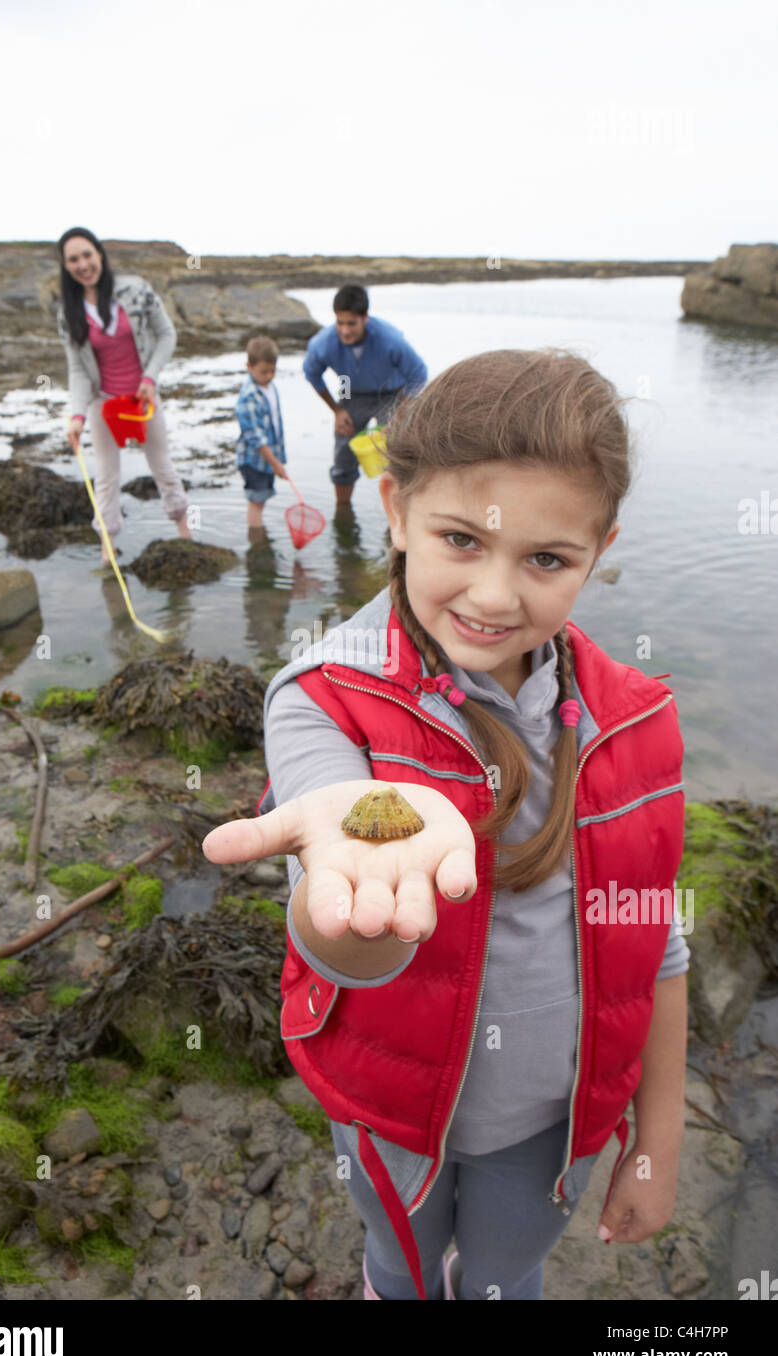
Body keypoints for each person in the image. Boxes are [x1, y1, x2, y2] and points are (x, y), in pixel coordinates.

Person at [203, 348, 689, 1302]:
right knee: (403, 1268)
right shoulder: (322, 700)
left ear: (601, 548)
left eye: (547, 559)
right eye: (461, 540)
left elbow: (657, 941)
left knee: (508, 1275)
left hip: (552, 1116)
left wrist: (657, 1139)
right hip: (392, 1107)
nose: (497, 595)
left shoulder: (638, 720)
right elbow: (344, 934)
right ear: (394, 512)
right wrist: (350, 900)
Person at [55, 226, 193, 566]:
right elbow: (77, 370)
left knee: (163, 466)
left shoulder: (135, 290)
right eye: (73, 259)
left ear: (99, 254)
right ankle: (107, 551)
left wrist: (150, 377)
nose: (83, 264)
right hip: (104, 403)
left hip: (142, 401)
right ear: (66, 266)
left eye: (87, 255)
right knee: (106, 477)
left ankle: (186, 534)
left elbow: (166, 335)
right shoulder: (68, 313)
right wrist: (77, 417)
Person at [302, 284, 428, 506]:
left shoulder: (390, 339)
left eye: (352, 323)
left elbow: (418, 373)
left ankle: (397, 515)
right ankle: (343, 512)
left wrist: (400, 415)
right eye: (340, 322)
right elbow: (312, 374)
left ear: (365, 318)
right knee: (343, 455)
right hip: (350, 391)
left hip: (391, 393)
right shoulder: (322, 344)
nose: (345, 330)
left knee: (396, 452)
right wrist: (336, 410)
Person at [234, 336, 289, 527]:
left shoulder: (270, 387)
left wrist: (277, 459)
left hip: (268, 459)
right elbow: (256, 438)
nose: (269, 376)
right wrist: (276, 464)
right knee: (256, 502)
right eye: (263, 372)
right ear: (249, 366)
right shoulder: (249, 397)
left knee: (261, 500)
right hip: (254, 461)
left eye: (272, 371)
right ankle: (257, 544)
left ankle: (259, 537)